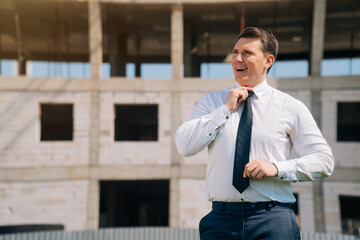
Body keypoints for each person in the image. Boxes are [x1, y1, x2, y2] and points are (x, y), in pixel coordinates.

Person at [175, 27, 334, 240]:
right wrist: (224, 110)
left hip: (273, 219)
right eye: (235, 52)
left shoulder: (290, 107)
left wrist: (277, 168)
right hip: (221, 221)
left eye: (247, 53)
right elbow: (184, 146)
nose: (237, 59)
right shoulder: (212, 102)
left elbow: (324, 161)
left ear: (268, 61)